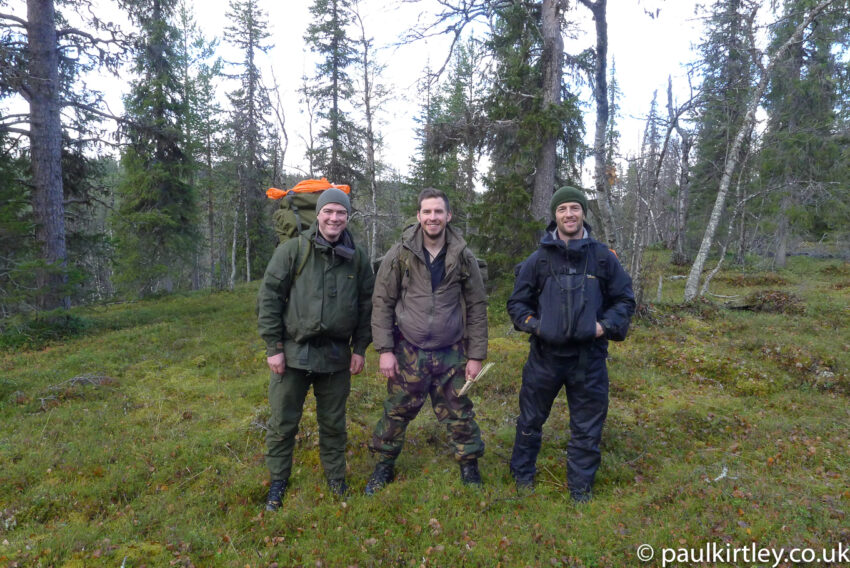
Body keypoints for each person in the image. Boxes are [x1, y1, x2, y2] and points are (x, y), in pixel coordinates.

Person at [507, 185, 635, 502]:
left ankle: (580, 490)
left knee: (587, 427)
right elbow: (517, 304)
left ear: (582, 213)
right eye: (562, 209)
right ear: (555, 215)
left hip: (588, 360)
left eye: (574, 208)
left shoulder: (604, 258)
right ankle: (521, 477)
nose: (569, 214)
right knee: (530, 421)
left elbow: (624, 300)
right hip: (544, 359)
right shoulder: (537, 260)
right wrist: (536, 327)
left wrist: (604, 327)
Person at [257, 188, 374, 511]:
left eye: (341, 213)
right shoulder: (293, 250)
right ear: (318, 215)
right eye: (329, 212)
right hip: (293, 354)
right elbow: (269, 297)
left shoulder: (358, 257)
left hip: (337, 357)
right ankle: (278, 481)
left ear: (347, 217)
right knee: (283, 423)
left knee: (334, 424)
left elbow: (367, 306)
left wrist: (360, 348)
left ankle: (336, 479)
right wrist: (273, 347)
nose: (334, 218)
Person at [365, 188, 488, 494]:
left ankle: (469, 466)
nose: (433, 218)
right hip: (409, 350)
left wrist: (476, 355)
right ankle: (383, 466)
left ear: (448, 216)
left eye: (438, 212)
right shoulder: (400, 254)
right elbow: (382, 302)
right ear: (419, 216)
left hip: (452, 351)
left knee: (459, 410)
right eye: (427, 212)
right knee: (396, 411)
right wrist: (384, 350)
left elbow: (477, 305)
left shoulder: (463, 256)